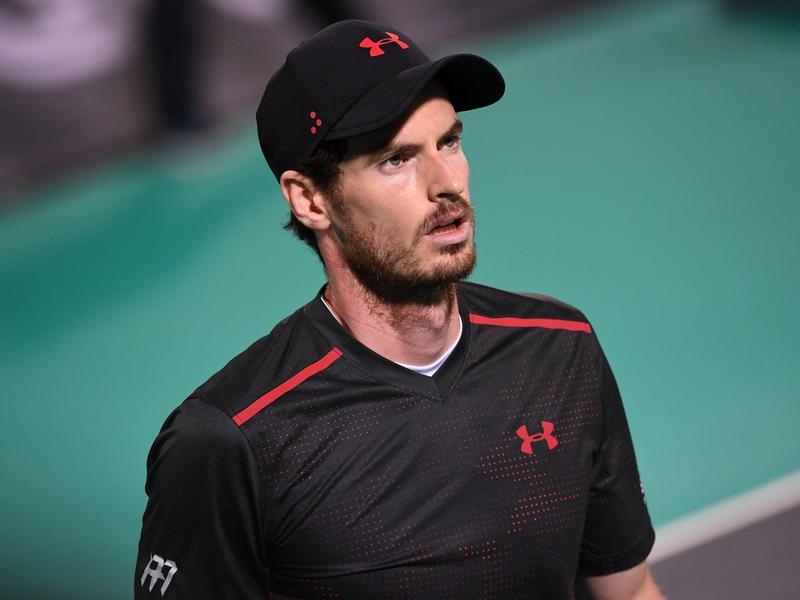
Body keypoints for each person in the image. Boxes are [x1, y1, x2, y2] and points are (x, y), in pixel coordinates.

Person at [135, 19, 664, 599]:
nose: (447, 184)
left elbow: (629, 590)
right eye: (396, 159)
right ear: (310, 199)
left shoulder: (560, 350)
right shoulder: (233, 439)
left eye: (449, 142)